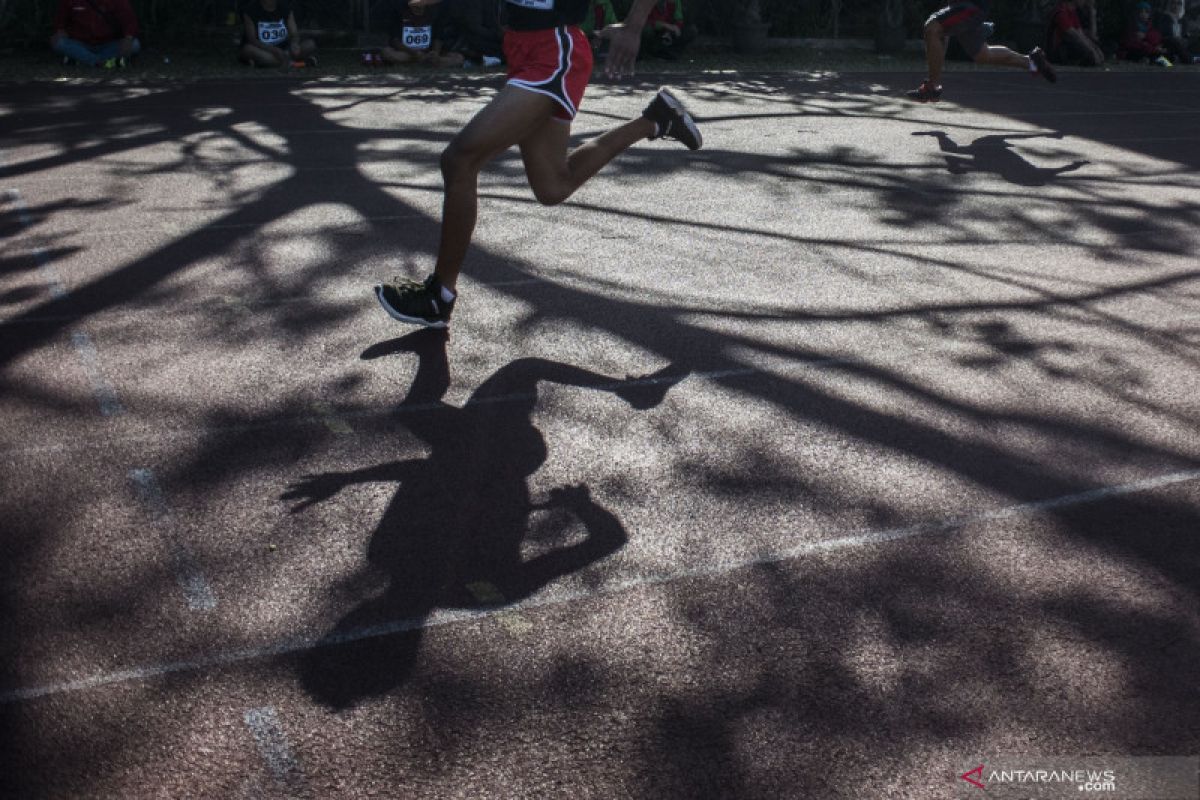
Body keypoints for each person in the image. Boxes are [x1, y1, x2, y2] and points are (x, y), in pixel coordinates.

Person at [373, 0, 703, 329]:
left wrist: (633, 27)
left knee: (459, 160)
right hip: (523, 47)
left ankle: (438, 296)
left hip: (555, 52)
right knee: (553, 186)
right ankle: (656, 120)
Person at [907, 1, 1057, 103]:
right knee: (983, 55)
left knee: (931, 28)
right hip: (964, 7)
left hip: (970, 7)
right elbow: (942, 34)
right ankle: (1032, 62)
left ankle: (931, 87)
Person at [50, 0, 141, 68]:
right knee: (59, 43)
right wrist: (59, 32)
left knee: (134, 44)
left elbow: (130, 22)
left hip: (108, 43)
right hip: (81, 44)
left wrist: (128, 38)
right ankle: (102, 62)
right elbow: (60, 21)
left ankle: (83, 60)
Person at [380, 0, 464, 67]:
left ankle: (431, 62)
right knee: (386, 52)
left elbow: (438, 36)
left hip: (429, 53)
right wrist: (415, 53)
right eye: (415, 5)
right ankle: (423, 62)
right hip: (408, 54)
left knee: (459, 58)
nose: (419, 7)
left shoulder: (434, 12)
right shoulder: (399, 12)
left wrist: (435, 53)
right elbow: (395, 40)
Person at [240, 0, 317, 68]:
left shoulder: (285, 8)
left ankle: (275, 62)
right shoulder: (250, 10)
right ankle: (295, 63)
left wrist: (294, 43)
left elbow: (294, 33)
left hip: (285, 48)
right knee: (248, 49)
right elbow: (252, 39)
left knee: (310, 44)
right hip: (263, 49)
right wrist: (274, 50)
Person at [1047, 0, 1105, 65]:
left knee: (1084, 36)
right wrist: (1092, 52)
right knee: (1074, 38)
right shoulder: (1060, 12)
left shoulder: (1072, 13)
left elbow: (1084, 36)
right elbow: (1075, 36)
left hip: (1067, 52)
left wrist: (1092, 14)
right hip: (1058, 54)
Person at [1155, 0, 1197, 64]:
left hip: (1181, 44)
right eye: (1173, 3)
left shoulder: (1183, 20)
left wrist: (1184, 39)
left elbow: (1185, 34)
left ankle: (1181, 58)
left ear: (1181, 6)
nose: (1176, 6)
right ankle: (1189, 60)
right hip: (1168, 42)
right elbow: (1162, 33)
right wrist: (1173, 20)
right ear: (1170, 4)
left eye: (1178, 4)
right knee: (1174, 41)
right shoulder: (1164, 17)